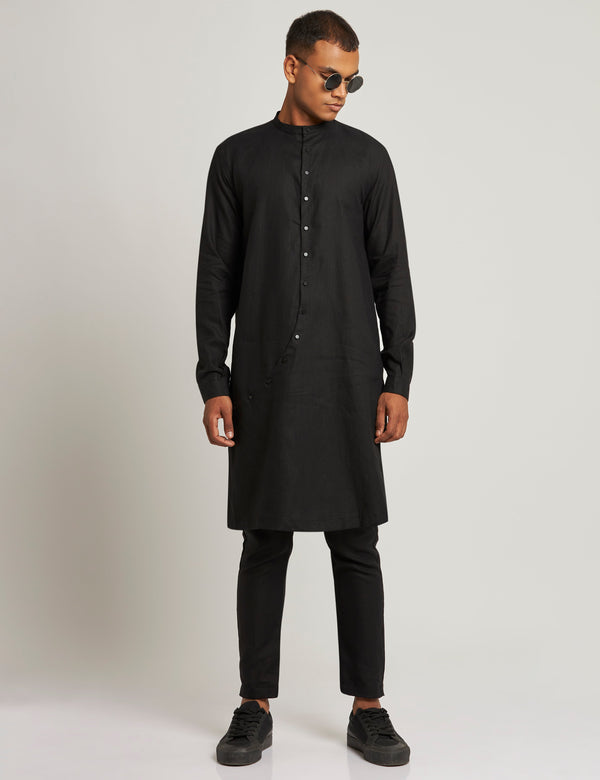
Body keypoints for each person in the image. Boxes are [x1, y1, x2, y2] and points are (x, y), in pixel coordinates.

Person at [195, 9, 416, 767]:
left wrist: (397, 376)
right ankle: (253, 706)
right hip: (263, 379)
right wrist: (214, 378)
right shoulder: (237, 159)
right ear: (291, 67)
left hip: (350, 377)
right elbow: (216, 275)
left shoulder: (368, 161)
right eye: (330, 75)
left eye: (353, 79)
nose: (342, 90)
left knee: (357, 542)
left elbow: (392, 273)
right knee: (265, 540)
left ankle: (368, 708)